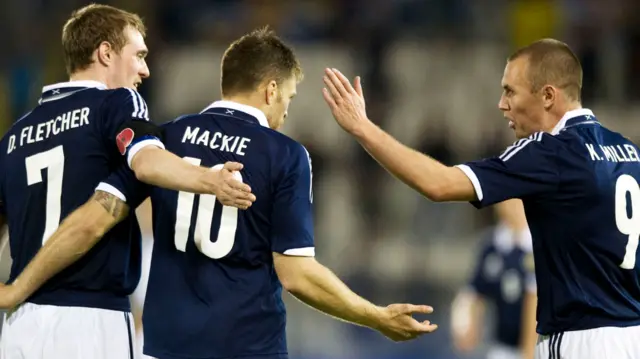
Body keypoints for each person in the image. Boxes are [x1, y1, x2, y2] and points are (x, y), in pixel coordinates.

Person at [14, 27, 437, 359]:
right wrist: (374, 315)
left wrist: (21, 284)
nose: (286, 111)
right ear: (271, 90)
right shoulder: (285, 154)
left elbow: (94, 218)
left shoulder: (165, 139)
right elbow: (296, 274)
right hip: (246, 347)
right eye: (287, 98)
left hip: (164, 349)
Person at [322, 38, 640, 358]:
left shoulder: (549, 152)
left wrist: (363, 128)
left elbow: (439, 184)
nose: (502, 104)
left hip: (580, 342)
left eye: (510, 91)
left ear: (547, 96)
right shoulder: (629, 152)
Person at [0, 4, 253, 358]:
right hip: (89, 322)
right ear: (106, 53)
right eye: (139, 55)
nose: (145, 70)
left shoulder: (15, 136)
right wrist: (210, 179)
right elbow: (146, 163)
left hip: (18, 327)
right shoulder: (115, 103)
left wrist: (12, 291)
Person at [451, 199, 537, 359]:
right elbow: (473, 291)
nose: (510, 206)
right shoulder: (492, 246)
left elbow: (535, 301)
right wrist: (466, 324)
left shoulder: (541, 243)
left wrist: (529, 352)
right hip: (504, 347)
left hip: (540, 347)